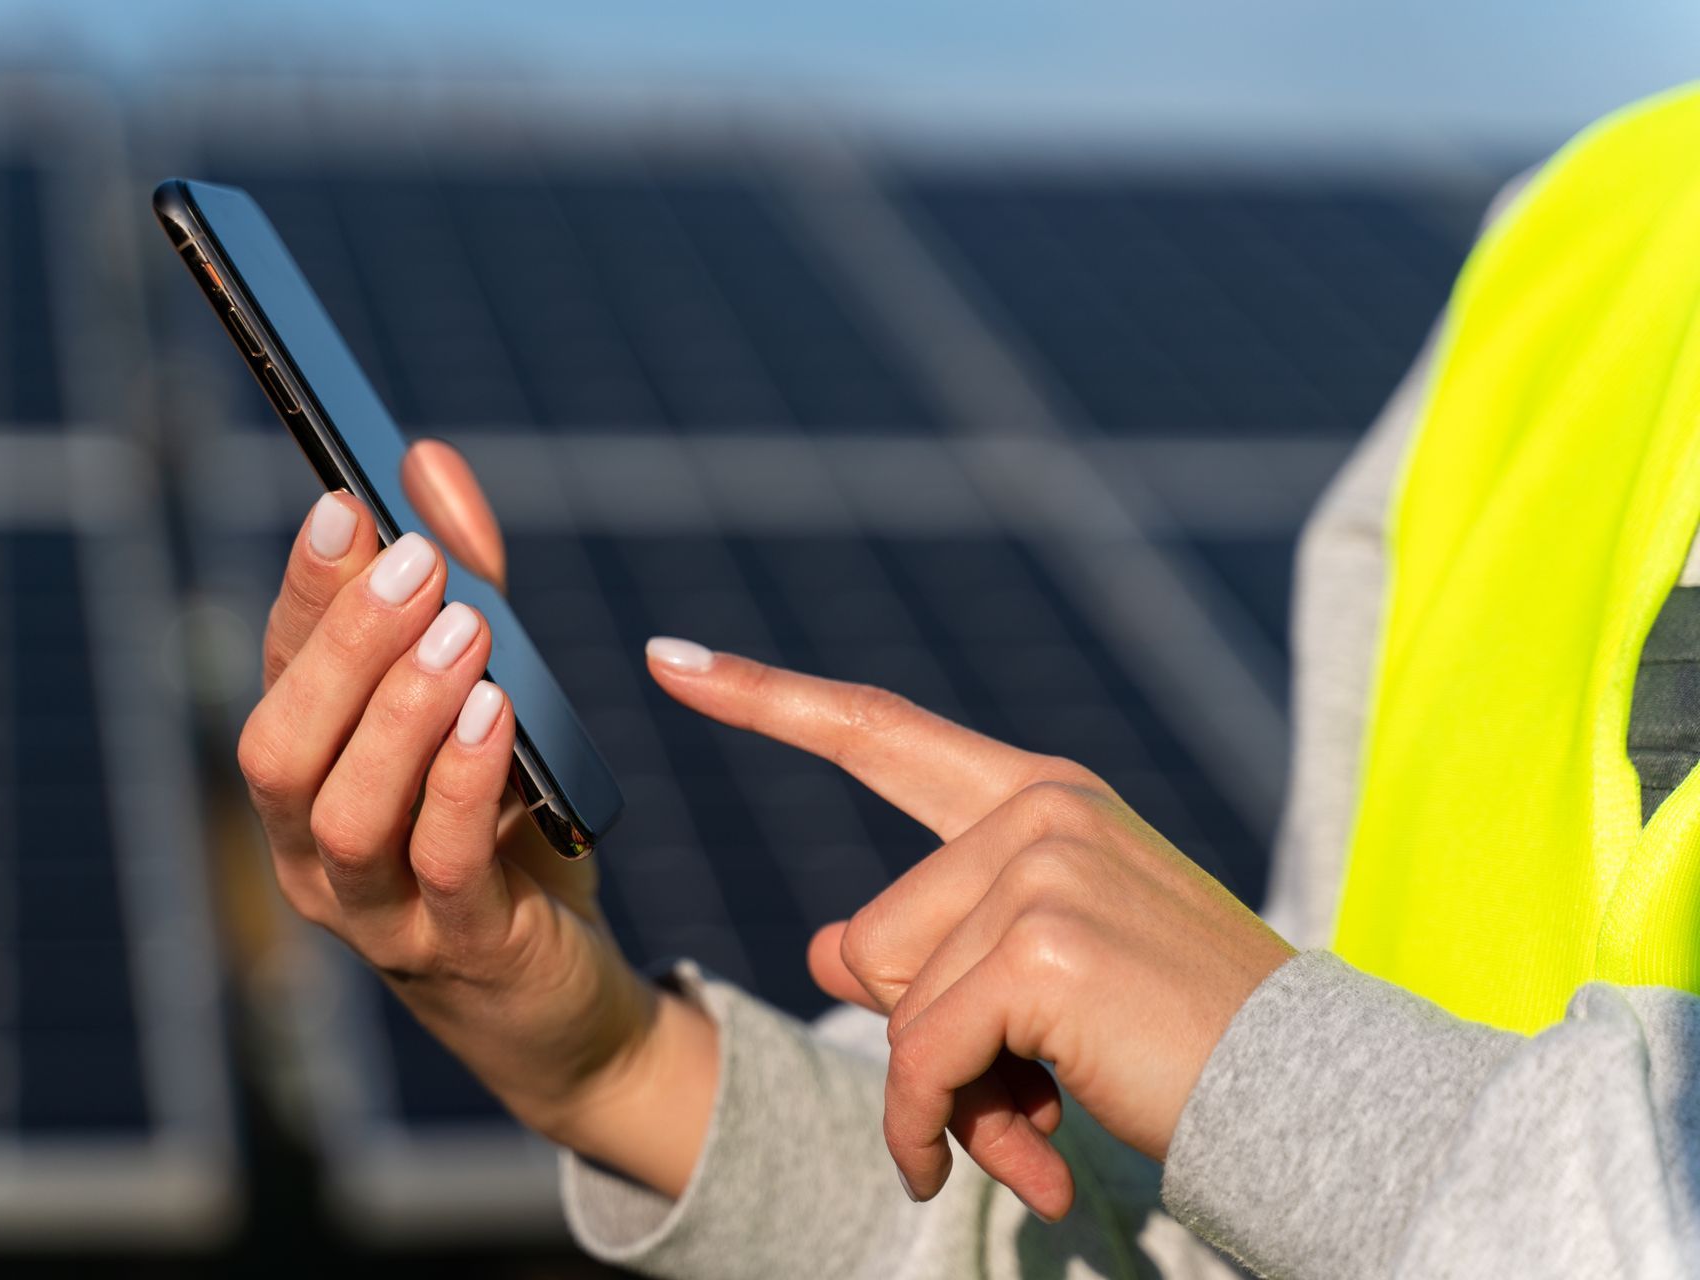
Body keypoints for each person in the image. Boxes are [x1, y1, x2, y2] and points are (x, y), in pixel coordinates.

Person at [235, 86, 1700, 1279]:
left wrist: (1270, 1071)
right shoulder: (1582, 247)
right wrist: (611, 1064)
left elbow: (1318, 1120)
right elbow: (1267, 1231)